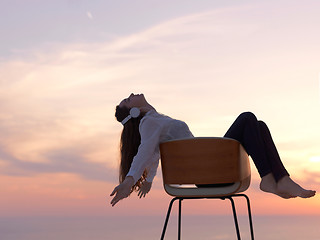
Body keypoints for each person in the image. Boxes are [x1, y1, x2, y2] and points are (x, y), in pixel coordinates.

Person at [110, 93, 316, 206]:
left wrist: (149, 180)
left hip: (209, 173)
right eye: (127, 100)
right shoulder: (149, 123)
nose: (130, 95)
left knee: (258, 125)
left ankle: (278, 179)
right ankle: (272, 179)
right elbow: (145, 150)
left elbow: (153, 154)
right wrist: (130, 179)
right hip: (209, 174)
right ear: (134, 111)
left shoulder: (154, 122)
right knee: (247, 118)